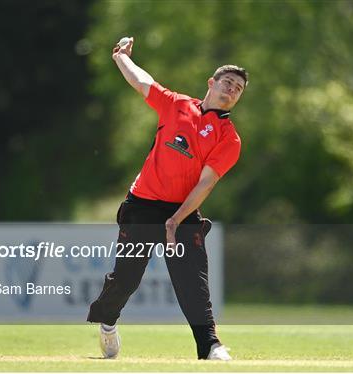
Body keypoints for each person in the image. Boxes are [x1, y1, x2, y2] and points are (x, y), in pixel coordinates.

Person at [87, 36, 248, 361]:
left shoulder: (229, 138)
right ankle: (107, 322)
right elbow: (143, 82)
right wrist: (121, 58)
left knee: (193, 281)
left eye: (238, 89)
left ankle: (210, 345)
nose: (231, 90)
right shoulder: (177, 105)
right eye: (227, 82)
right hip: (142, 204)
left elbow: (205, 184)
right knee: (126, 279)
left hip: (183, 211)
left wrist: (176, 219)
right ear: (211, 83)